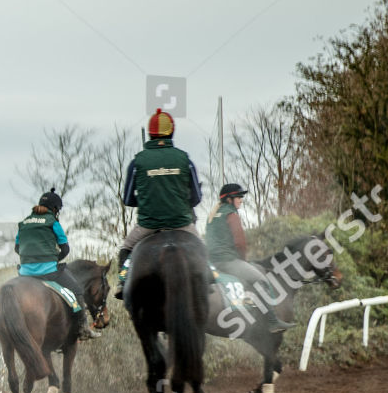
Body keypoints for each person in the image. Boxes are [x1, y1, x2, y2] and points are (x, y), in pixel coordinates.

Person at [114, 108, 203, 299]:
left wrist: (148, 201)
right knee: (202, 247)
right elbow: (196, 197)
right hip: (181, 223)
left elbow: (128, 198)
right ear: (172, 131)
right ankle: (209, 277)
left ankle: (123, 281)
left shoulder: (137, 162)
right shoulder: (184, 159)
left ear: (150, 134)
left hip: (148, 225)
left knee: (126, 249)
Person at [204, 183, 295, 331]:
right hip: (228, 262)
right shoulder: (231, 214)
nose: (241, 199)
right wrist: (242, 260)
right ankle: (272, 322)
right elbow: (240, 243)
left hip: (212, 263)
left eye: (241, 197)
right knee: (262, 280)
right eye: (238, 197)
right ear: (229, 199)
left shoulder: (212, 215)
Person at [14, 187, 98, 340]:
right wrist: (52, 260)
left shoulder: (24, 223)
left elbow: (17, 248)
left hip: (25, 272)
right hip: (48, 271)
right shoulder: (53, 222)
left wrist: (30, 260)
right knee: (77, 290)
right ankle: (83, 328)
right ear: (54, 209)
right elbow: (65, 249)